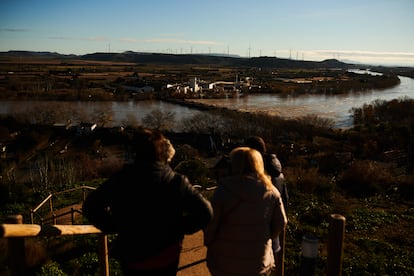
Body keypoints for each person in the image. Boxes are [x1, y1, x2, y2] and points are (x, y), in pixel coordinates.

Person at [82, 128, 213, 276]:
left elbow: (91, 206)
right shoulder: (176, 181)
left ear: (136, 152)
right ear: (162, 153)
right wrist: (177, 228)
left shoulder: (121, 180)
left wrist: (114, 226)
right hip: (167, 254)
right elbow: (205, 212)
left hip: (133, 253)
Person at [204, 147, 287, 276]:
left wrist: (209, 242)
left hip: (225, 261)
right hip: (258, 262)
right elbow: (282, 222)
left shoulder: (223, 190)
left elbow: (211, 224)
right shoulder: (272, 192)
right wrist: (267, 237)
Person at [245, 136, 289, 266]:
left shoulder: (258, 175)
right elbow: (285, 202)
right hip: (272, 236)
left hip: (258, 238)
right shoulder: (279, 174)